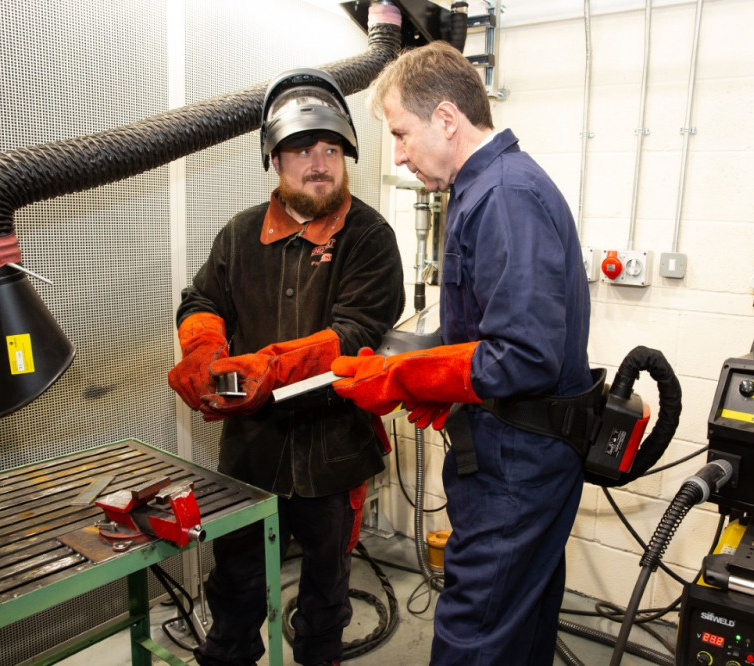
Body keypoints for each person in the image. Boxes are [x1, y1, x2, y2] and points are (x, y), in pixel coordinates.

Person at [331, 41, 593, 665]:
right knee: (518, 630)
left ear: (446, 119)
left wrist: (409, 376)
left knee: (475, 634)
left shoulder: (504, 194)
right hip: (511, 453)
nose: (397, 154)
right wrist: (437, 386)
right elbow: (487, 335)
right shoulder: (486, 189)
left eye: (401, 133)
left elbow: (524, 355)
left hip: (516, 468)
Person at [167, 67, 405, 666]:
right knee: (236, 587)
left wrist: (267, 372)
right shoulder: (241, 234)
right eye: (302, 149)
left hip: (332, 452)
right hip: (250, 453)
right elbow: (201, 301)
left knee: (325, 596)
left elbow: (355, 332)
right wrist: (202, 349)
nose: (319, 163)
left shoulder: (369, 236)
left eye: (331, 149)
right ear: (274, 158)